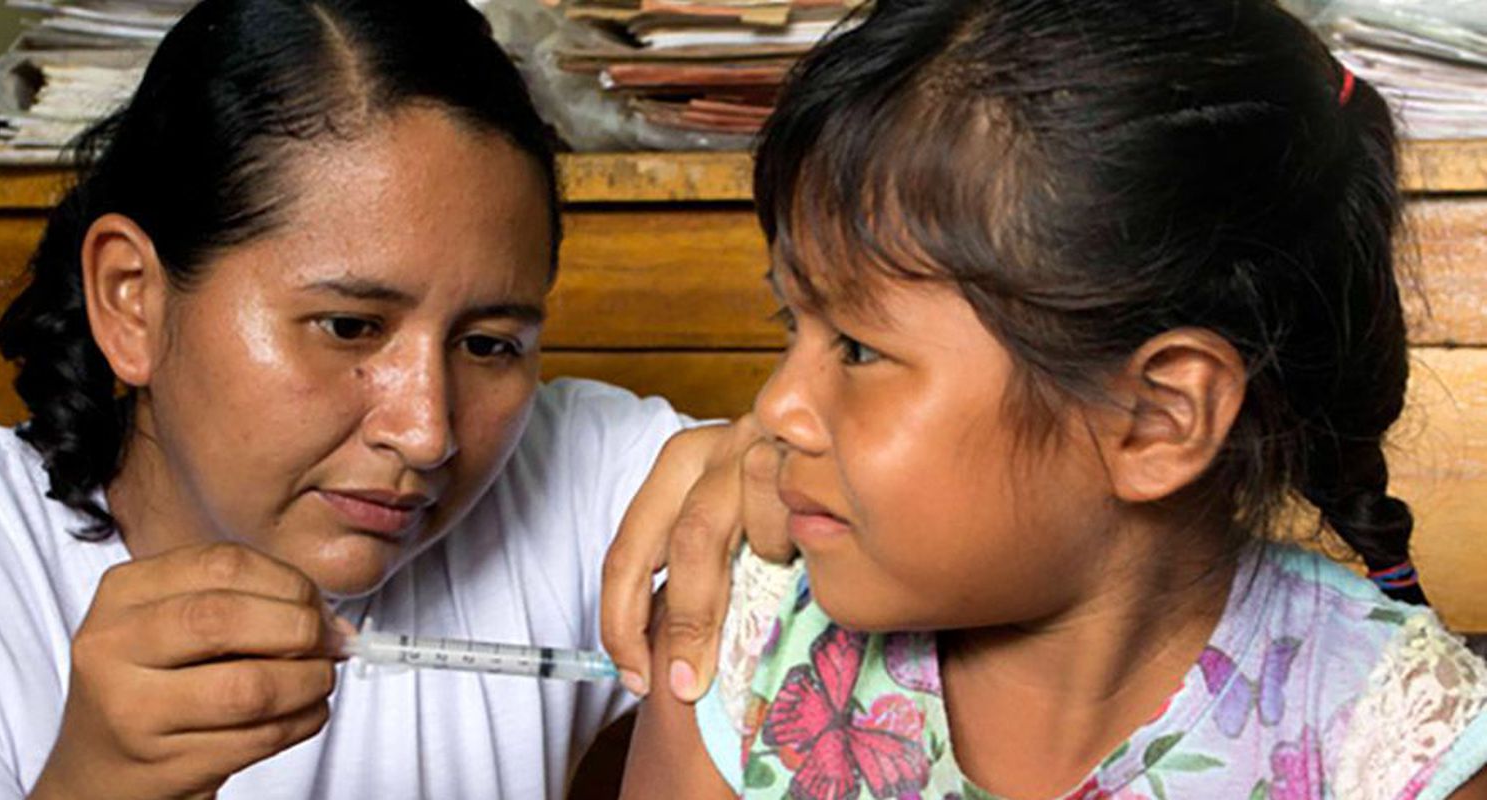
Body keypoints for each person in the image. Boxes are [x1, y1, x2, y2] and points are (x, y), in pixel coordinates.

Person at [0, 0, 763, 796]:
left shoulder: (587, 476)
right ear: (133, 298)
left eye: (489, 345)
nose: (426, 433)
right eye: (348, 327)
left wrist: (789, 477)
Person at [618, 0, 1487, 797]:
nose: (778, 409)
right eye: (790, 322)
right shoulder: (743, 644)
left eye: (857, 347)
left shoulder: (1391, 742)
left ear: (1156, 420)